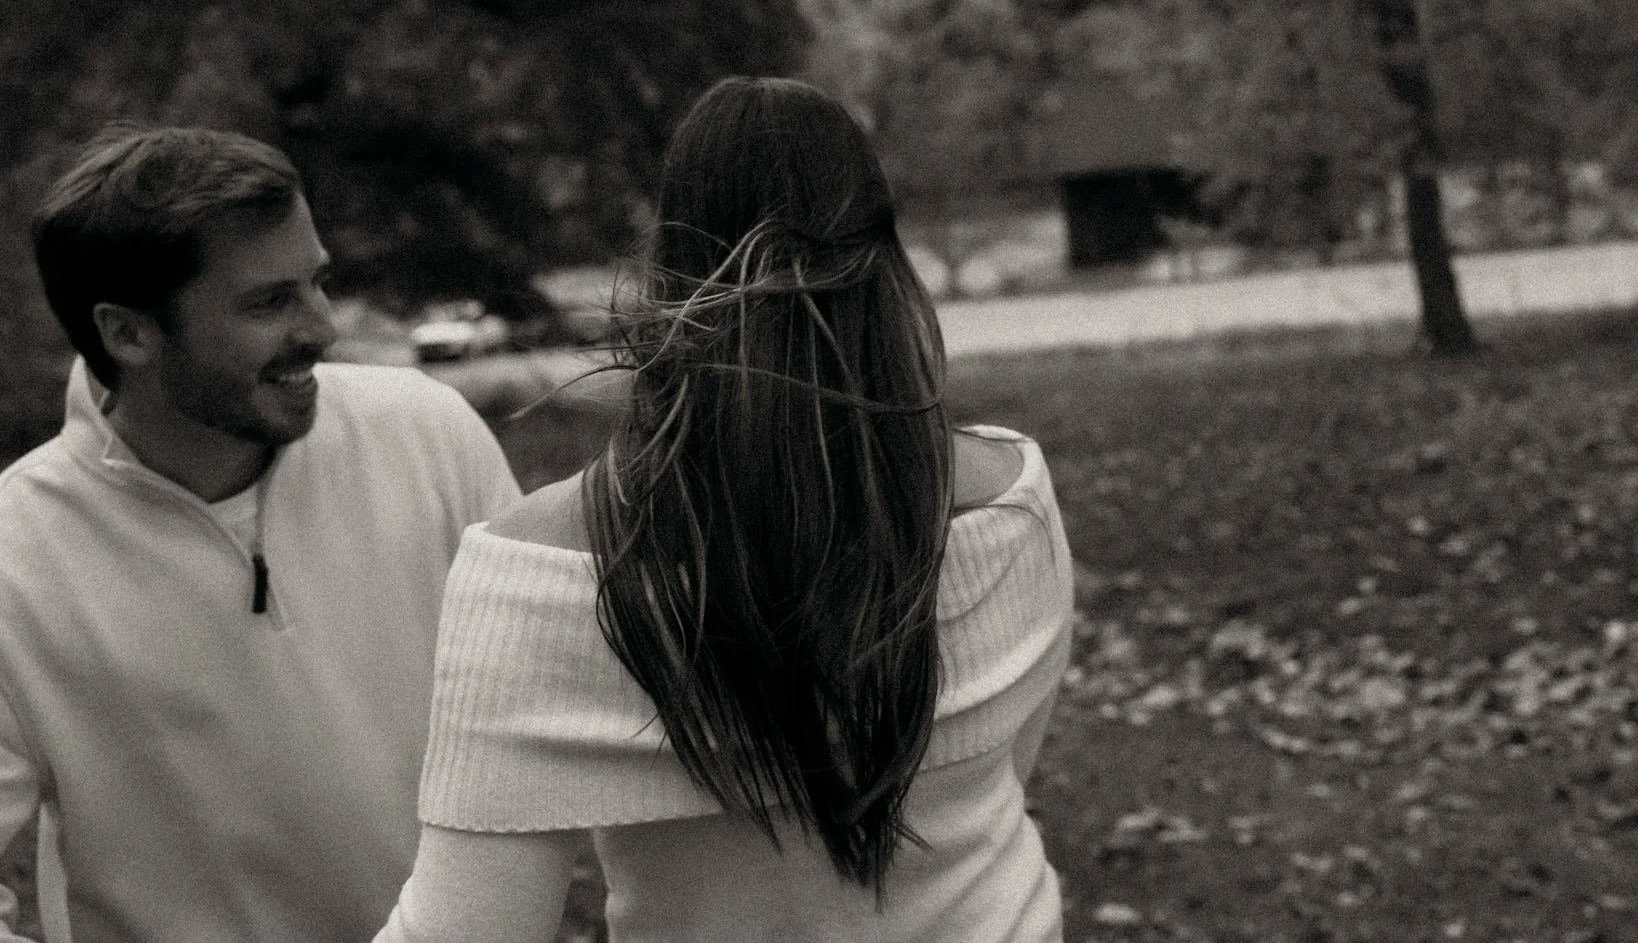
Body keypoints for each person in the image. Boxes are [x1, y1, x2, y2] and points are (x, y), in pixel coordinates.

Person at [376, 77, 1073, 942]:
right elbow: (1007, 763)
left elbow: (465, 929)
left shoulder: (536, 576)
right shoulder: (1012, 495)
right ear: (885, 264)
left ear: (668, 272)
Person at [0, 126, 522, 943]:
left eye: (317, 282)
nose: (322, 328)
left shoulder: (428, 433)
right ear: (128, 333)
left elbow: (544, 726)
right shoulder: (15, 555)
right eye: (268, 302)